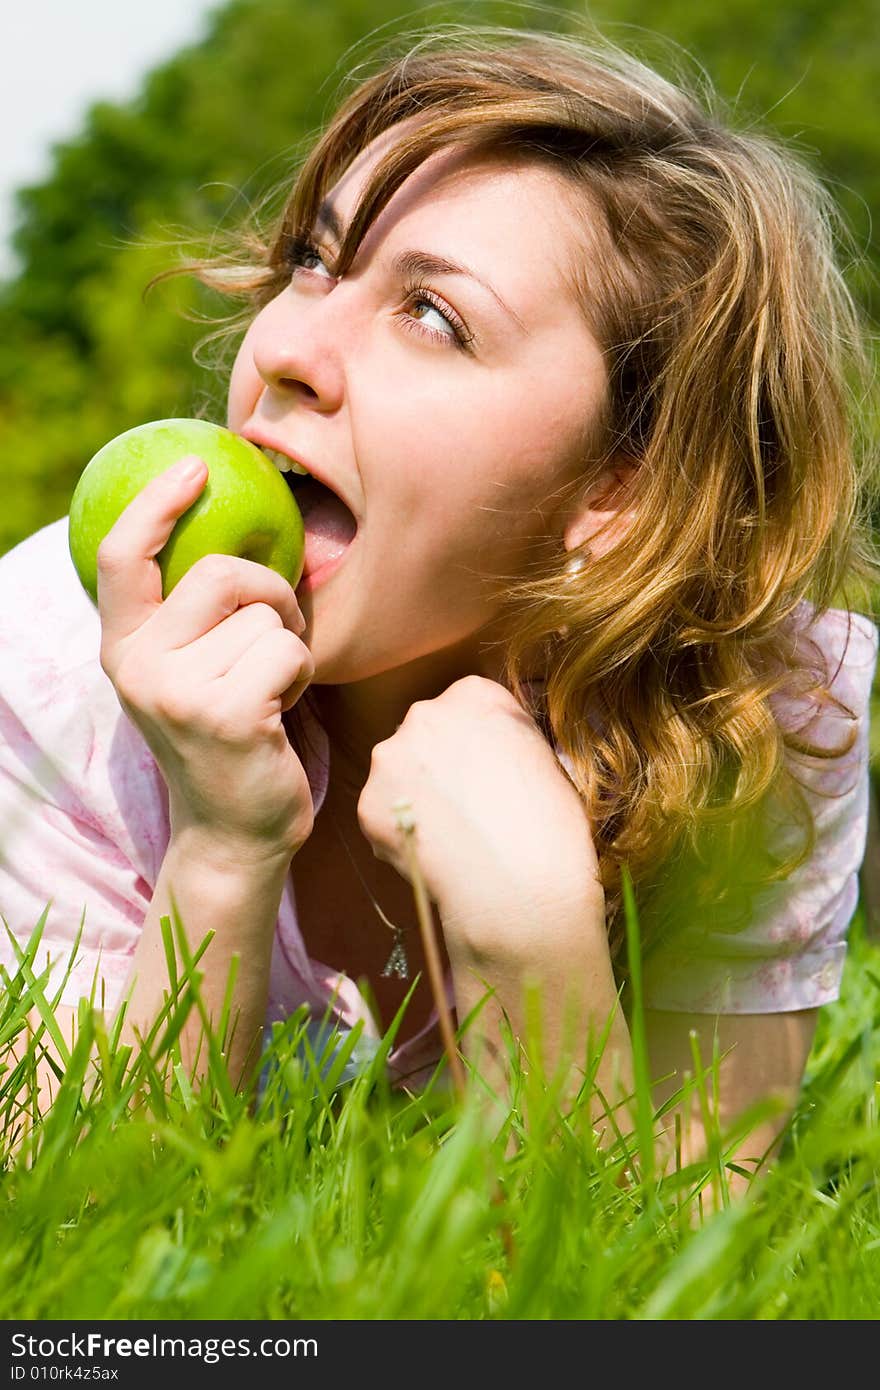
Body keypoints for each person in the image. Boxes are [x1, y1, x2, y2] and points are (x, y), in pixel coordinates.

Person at [0, 23, 877, 1186]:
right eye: (315, 262)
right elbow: (72, 1243)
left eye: (433, 316)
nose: (291, 346)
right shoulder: (65, 660)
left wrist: (533, 939)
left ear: (619, 486)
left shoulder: (762, 717)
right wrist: (217, 846)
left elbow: (680, 1263)